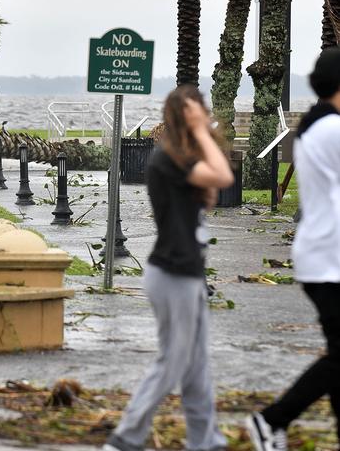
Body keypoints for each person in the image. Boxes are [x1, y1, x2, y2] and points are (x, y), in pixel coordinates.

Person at [103, 85, 234, 451]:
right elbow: (224, 176)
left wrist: (200, 134)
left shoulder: (181, 160)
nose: (204, 116)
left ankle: (206, 440)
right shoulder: (169, 159)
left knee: (196, 366)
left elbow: (209, 193)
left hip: (188, 270)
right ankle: (125, 437)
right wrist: (201, 130)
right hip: (172, 272)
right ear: (183, 117)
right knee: (173, 360)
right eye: (195, 112)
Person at [246, 48, 340, 451]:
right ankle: (271, 420)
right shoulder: (332, 129)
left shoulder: (319, 125)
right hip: (330, 259)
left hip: (323, 255)